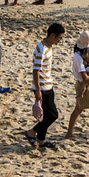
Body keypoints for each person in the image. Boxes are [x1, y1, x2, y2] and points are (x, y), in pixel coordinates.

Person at [25, 22, 65, 150]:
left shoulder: (48, 47)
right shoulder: (41, 49)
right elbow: (35, 70)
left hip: (48, 85)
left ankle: (41, 140)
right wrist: (38, 91)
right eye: (59, 38)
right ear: (52, 35)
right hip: (42, 87)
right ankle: (32, 132)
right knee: (53, 115)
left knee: (46, 114)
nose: (60, 41)